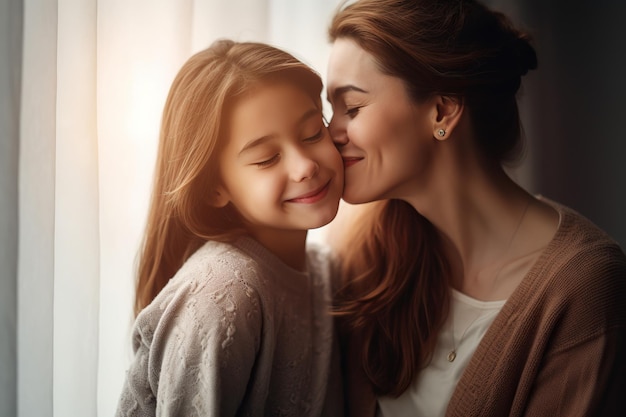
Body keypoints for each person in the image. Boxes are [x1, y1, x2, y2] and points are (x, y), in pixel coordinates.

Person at [324, 0, 626, 416]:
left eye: (352, 108)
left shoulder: (582, 286)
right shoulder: (366, 252)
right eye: (330, 112)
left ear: (442, 110)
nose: (329, 134)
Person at [115, 39, 345, 416]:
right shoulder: (223, 293)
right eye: (267, 158)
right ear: (215, 188)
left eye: (312, 134)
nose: (305, 165)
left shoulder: (326, 273)